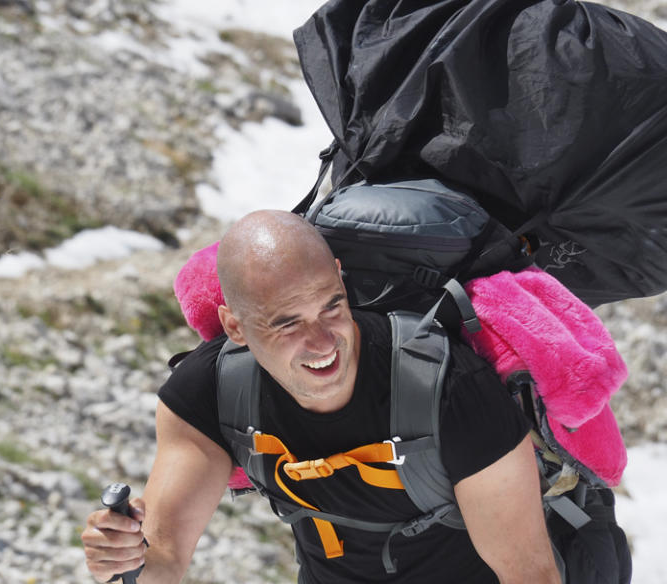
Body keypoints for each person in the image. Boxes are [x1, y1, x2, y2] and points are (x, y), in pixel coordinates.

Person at [82, 210, 561, 584]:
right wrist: (121, 558)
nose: (323, 342)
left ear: (339, 276)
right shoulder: (209, 393)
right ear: (235, 327)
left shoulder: (450, 389)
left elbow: (528, 574)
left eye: (331, 305)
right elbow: (163, 559)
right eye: (287, 323)